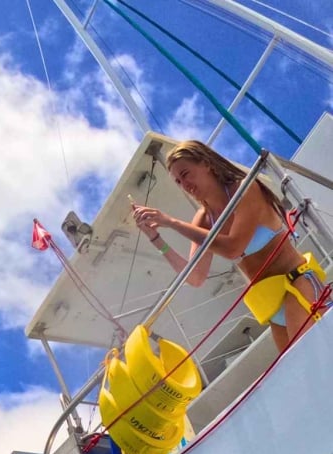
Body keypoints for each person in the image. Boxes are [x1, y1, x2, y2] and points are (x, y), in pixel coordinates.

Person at [131, 139, 325, 353]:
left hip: (298, 283)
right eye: (178, 182)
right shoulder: (204, 219)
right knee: (300, 369)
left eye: (185, 174)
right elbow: (195, 276)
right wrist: (156, 238)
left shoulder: (244, 189)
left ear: (206, 163)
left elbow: (233, 247)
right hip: (272, 303)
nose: (184, 185)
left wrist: (172, 223)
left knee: (310, 357)